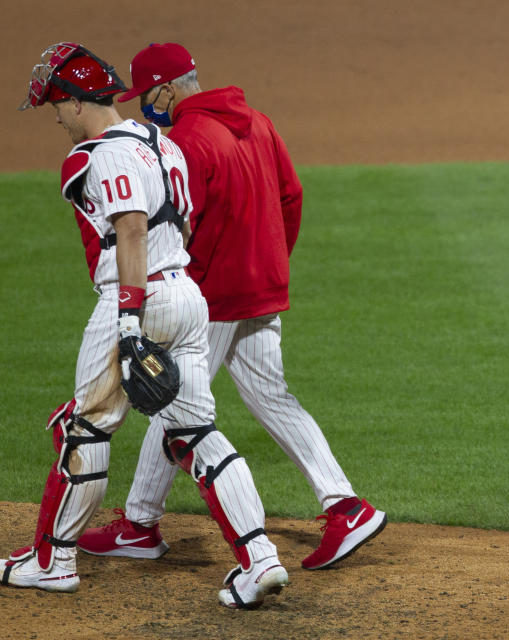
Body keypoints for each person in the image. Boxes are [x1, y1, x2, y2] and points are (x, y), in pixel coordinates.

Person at [77, 42, 387, 570]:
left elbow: (175, 228)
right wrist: (270, 261)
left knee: (172, 400)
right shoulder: (258, 122)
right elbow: (292, 196)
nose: (145, 104)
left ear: (168, 88)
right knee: (272, 396)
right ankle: (345, 507)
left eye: (148, 94)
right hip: (261, 284)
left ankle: (139, 524)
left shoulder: (187, 142)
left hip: (214, 292)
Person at [2, 42, 288, 609]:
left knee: (84, 429)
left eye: (56, 107)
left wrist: (130, 322)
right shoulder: (163, 143)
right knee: (194, 433)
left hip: (136, 299)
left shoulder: (103, 153)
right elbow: (178, 222)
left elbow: (131, 228)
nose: (56, 119)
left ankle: (53, 562)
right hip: (187, 297)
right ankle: (260, 560)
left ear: (78, 102)